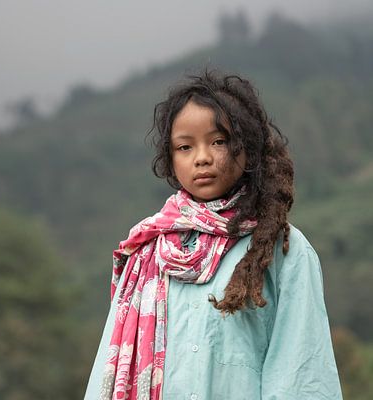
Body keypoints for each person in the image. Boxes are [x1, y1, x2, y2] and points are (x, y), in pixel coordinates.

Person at [84, 67, 343, 399]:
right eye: (185, 147)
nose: (202, 158)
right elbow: (109, 368)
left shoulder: (279, 250)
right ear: (170, 158)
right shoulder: (147, 252)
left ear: (247, 147)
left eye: (218, 141)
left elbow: (301, 374)